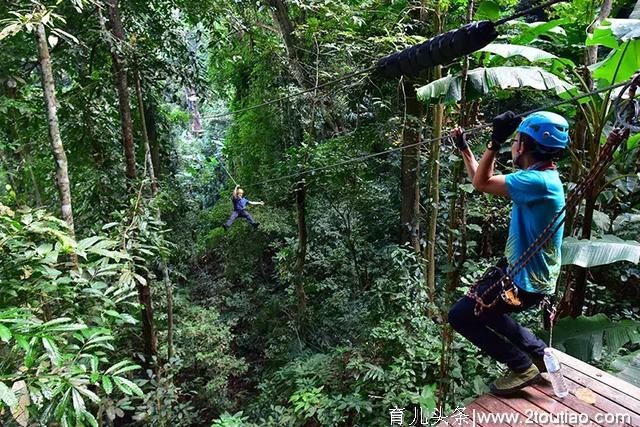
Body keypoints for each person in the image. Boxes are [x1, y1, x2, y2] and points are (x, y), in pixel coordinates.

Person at [447, 111, 569, 395]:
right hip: (522, 272)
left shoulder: (536, 183)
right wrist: (465, 148)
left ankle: (521, 366)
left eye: (514, 140)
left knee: (460, 316)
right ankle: (537, 352)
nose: (512, 145)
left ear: (523, 145)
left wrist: (494, 141)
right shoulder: (539, 177)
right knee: (484, 311)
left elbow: (481, 183)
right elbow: (483, 179)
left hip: (524, 279)